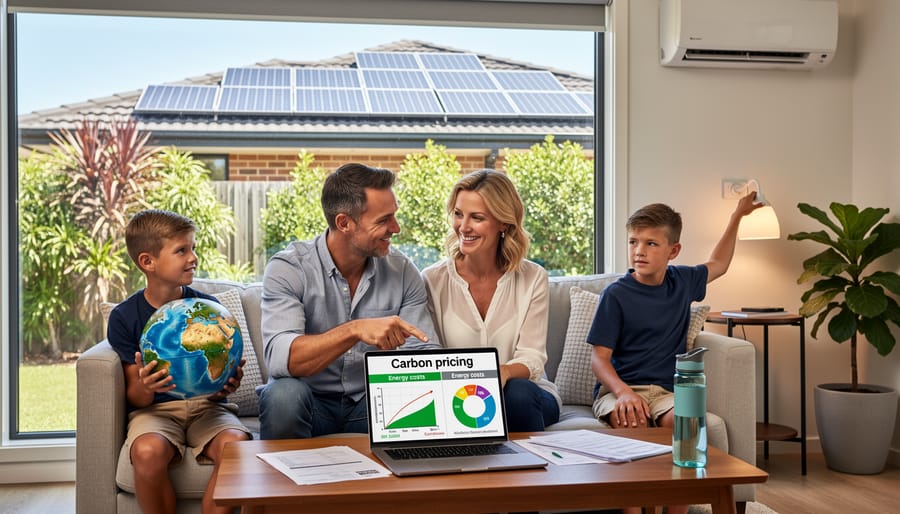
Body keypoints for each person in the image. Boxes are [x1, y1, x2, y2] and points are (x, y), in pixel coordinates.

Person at [587, 194, 760, 514]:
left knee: (688, 426)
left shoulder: (683, 281)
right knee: (632, 424)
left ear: (673, 250)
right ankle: (633, 510)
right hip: (622, 390)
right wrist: (623, 393)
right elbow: (600, 358)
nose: (639, 250)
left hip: (666, 391)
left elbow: (719, 263)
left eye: (651, 243)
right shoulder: (616, 295)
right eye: (633, 241)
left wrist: (737, 216)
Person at [258, 162, 439, 439]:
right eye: (383, 220)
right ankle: (284, 481)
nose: (397, 228)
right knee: (282, 394)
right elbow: (284, 359)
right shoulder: (289, 268)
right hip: (311, 404)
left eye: (394, 216)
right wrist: (355, 329)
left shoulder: (402, 271)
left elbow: (426, 354)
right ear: (344, 223)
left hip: (373, 405)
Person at [107, 209, 250, 514]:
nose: (193, 257)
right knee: (147, 451)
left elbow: (218, 378)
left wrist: (225, 386)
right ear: (148, 262)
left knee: (237, 445)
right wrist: (147, 385)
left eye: (193, 248)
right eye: (181, 250)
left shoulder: (210, 309)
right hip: (156, 411)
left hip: (207, 407)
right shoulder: (124, 317)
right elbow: (136, 395)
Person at [422, 169, 561, 431]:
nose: (463, 227)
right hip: (458, 397)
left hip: (526, 395)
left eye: (477, 217)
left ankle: (526, 470)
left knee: (516, 394)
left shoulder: (532, 278)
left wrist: (503, 373)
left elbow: (532, 358)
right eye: (458, 214)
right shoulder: (432, 280)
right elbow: (430, 358)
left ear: (504, 223)